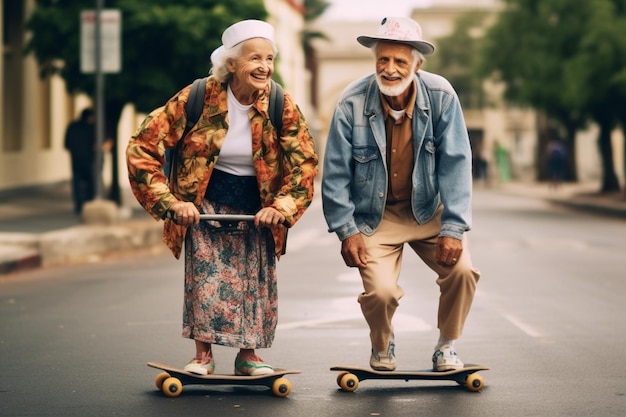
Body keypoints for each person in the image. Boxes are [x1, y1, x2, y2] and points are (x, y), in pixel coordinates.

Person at [126, 20, 318, 376]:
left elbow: (304, 162)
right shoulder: (197, 97)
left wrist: (282, 207)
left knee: (254, 281)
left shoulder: (280, 103)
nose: (264, 66)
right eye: (254, 58)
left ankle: (249, 356)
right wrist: (171, 203)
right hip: (203, 203)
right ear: (231, 63)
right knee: (206, 278)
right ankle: (203, 356)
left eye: (269, 58)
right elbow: (142, 146)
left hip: (258, 207)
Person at [322, 17, 480, 372]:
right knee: (380, 292)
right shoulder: (350, 102)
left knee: (463, 272)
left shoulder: (440, 97)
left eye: (399, 62)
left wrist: (453, 228)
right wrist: (346, 230)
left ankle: (447, 345)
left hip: (428, 210)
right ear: (375, 61)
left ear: (417, 65)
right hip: (375, 216)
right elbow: (334, 173)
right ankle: (382, 342)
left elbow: (456, 162)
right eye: (383, 60)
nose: (390, 69)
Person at [64, 108, 96, 214]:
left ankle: (78, 205)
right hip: (89, 159)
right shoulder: (91, 128)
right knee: (90, 182)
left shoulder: (72, 126)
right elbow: (95, 144)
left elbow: (66, 144)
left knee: (77, 183)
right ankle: (88, 203)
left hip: (75, 159)